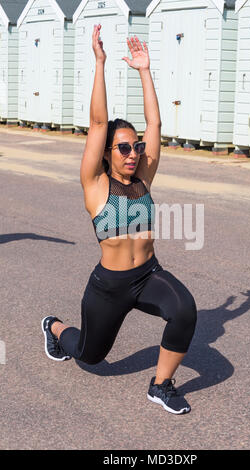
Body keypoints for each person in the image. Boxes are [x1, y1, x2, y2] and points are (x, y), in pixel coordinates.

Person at [41, 24, 197, 414]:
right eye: (123, 147)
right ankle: (55, 328)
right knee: (91, 356)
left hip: (147, 276)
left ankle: (161, 385)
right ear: (108, 152)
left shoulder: (144, 177)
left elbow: (156, 126)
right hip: (108, 287)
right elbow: (97, 124)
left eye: (136, 146)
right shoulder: (95, 185)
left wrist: (145, 71)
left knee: (185, 310)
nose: (132, 152)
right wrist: (100, 63)